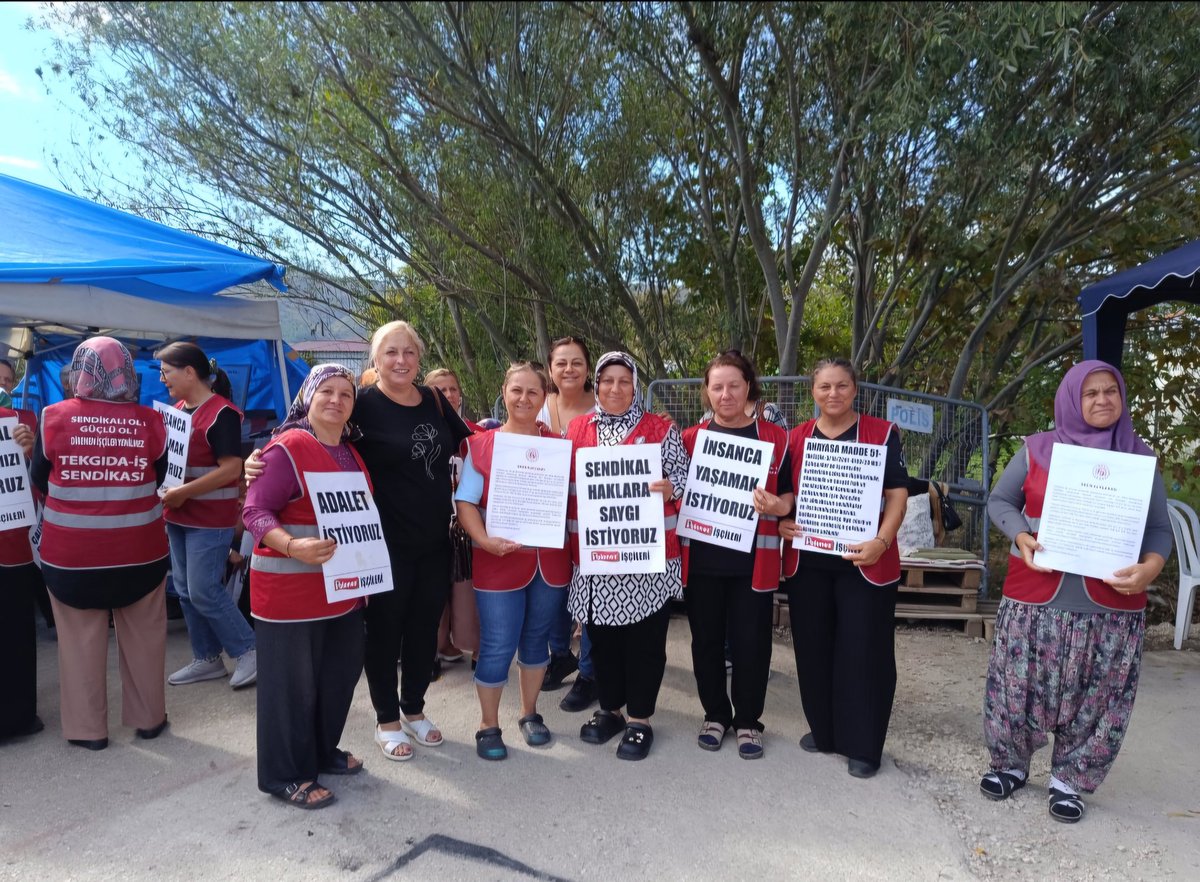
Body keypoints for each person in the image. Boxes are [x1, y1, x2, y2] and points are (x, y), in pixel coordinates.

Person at [978, 360, 1171, 823]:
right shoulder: (1037, 449)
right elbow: (1000, 501)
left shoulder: (1140, 460)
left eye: (1111, 391)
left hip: (1111, 607)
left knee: (1099, 696)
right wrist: (1021, 535)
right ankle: (1009, 764)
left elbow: (1159, 529)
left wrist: (1150, 568)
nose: (1102, 399)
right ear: (1071, 399)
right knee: (1016, 686)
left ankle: (1070, 781)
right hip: (1034, 598)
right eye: (1091, 393)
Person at [30, 337, 170, 750]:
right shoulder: (150, 421)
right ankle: (149, 720)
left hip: (71, 558)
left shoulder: (53, 416)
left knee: (79, 644)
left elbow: (40, 479)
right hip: (140, 554)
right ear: (126, 371)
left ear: (80, 371)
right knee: (145, 639)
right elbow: (159, 477)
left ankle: (88, 731)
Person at [242, 364, 370, 810]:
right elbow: (254, 512)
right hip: (289, 595)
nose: (336, 400)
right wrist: (292, 545)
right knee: (290, 690)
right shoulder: (286, 448)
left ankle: (320, 751)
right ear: (308, 398)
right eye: (326, 392)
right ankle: (285, 775)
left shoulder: (350, 451)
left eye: (346, 394)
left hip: (342, 593)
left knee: (336, 679)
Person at [778, 357, 908, 779]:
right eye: (824, 387)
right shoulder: (796, 437)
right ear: (813, 392)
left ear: (855, 389)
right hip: (809, 561)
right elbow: (787, 495)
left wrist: (881, 542)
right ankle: (826, 731)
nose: (833, 394)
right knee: (814, 647)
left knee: (864, 650)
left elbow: (897, 495)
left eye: (841, 386)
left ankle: (864, 746)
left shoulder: (882, 433)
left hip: (865, 561)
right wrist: (782, 521)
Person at [564, 351, 689, 760]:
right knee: (604, 642)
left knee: (645, 643)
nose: (615, 388)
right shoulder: (578, 429)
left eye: (624, 381)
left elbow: (686, 478)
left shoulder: (660, 429)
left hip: (646, 561)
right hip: (598, 558)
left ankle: (640, 719)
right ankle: (610, 710)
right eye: (607, 380)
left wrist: (671, 487)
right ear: (596, 385)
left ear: (635, 386)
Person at [455, 362, 571, 760]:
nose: (524, 399)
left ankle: (529, 713)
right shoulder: (482, 445)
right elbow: (465, 501)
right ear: (503, 393)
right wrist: (483, 540)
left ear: (544, 397)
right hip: (497, 560)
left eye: (533, 392)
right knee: (498, 643)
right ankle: (488, 725)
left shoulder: (559, 446)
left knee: (537, 640)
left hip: (550, 562)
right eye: (516, 390)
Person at [681, 350, 793, 760]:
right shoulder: (689, 440)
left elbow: (791, 493)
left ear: (749, 387)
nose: (725, 394)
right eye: (717, 387)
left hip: (753, 564)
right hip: (703, 561)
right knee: (706, 642)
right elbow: (673, 489)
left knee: (752, 643)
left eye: (734, 385)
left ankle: (747, 720)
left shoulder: (775, 438)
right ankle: (714, 714)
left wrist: (780, 506)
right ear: (707, 392)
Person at [156, 342, 256, 689]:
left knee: (203, 590)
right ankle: (207, 657)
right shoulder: (176, 411)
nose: (162, 379)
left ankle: (248, 650)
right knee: (185, 591)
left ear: (189, 372)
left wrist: (184, 492)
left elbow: (231, 469)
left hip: (209, 520)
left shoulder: (221, 413)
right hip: (178, 516)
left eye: (166, 372)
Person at [538, 336, 599, 711]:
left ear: (588, 368)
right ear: (550, 368)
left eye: (576, 362)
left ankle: (590, 672)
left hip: (592, 515)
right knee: (553, 588)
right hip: (548, 513)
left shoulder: (605, 403)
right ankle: (560, 654)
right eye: (561, 363)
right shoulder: (538, 404)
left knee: (589, 590)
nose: (569, 369)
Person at [425, 367, 481, 670]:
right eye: (440, 390)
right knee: (434, 591)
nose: (448, 395)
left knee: (466, 590)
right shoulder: (419, 432)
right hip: (429, 523)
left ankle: (477, 648)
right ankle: (434, 648)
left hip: (466, 526)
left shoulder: (475, 434)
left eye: (452, 389)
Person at [0, 394, 42, 741]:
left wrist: (31, 450)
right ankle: (18, 715)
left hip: (12, 544)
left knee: (14, 631)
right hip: (12, 546)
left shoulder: (17, 421)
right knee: (14, 633)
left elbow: (42, 477)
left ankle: (18, 715)